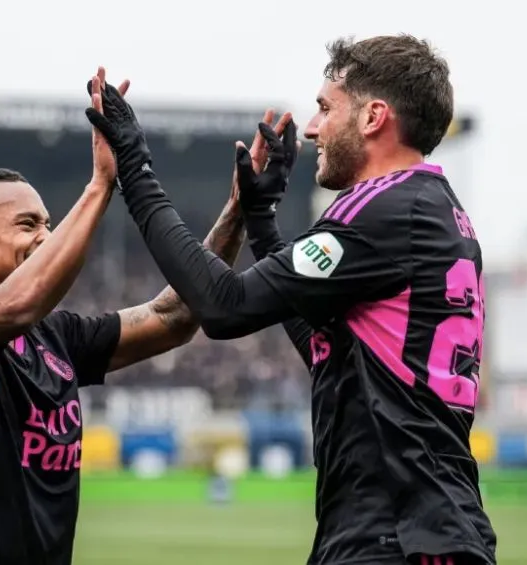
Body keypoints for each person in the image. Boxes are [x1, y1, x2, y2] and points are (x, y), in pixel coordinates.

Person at [86, 35, 496, 564]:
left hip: (397, 536)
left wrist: (135, 168)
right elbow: (333, 355)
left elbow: (224, 306)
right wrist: (261, 220)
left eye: (326, 108)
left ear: (373, 117)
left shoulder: (382, 208)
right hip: (416, 528)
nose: (311, 127)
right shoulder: (432, 208)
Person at [0, 68, 251, 565]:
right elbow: (18, 302)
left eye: (49, 224)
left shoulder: (54, 338)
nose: (45, 236)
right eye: (27, 224)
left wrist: (238, 212)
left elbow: (177, 315)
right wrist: (102, 185)